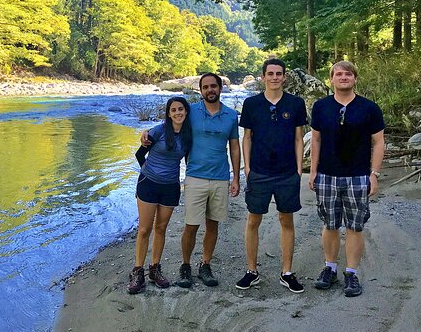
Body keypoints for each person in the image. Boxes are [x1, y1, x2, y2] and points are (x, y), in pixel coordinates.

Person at [141, 73, 240, 288]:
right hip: (194, 176)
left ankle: (205, 265)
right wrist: (146, 133)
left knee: (213, 225)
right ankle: (185, 266)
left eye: (213, 86)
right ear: (200, 90)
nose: (210, 90)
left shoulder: (231, 115)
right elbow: (169, 123)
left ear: (220, 88)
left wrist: (236, 178)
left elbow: (234, 145)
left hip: (221, 177)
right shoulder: (191, 111)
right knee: (191, 225)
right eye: (205, 87)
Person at [308, 61, 385, 297]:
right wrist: (313, 172)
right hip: (327, 175)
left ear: (355, 79)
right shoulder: (321, 107)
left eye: (348, 74)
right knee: (330, 224)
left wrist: (374, 174)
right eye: (338, 74)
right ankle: (329, 268)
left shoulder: (369, 108)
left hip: (358, 175)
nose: (343, 77)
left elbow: (379, 142)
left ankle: (351, 273)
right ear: (331, 79)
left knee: (355, 226)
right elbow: (317, 140)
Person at [235, 58, 308, 293]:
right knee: (253, 220)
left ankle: (287, 272)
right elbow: (247, 137)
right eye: (271, 73)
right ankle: (251, 271)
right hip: (260, 171)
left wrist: (299, 169)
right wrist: (247, 168)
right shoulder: (252, 104)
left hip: (287, 172)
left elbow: (299, 138)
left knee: (286, 220)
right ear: (263, 77)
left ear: (284, 77)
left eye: (279, 74)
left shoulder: (295, 104)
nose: (275, 77)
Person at [128, 97, 193, 294]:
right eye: (173, 110)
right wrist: (148, 173)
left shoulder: (189, 134)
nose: (177, 113)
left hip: (171, 186)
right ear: (168, 113)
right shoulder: (158, 131)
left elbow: (189, 160)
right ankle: (137, 271)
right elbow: (140, 154)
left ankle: (155, 269)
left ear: (186, 111)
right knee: (144, 229)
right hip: (148, 184)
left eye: (181, 109)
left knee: (161, 228)